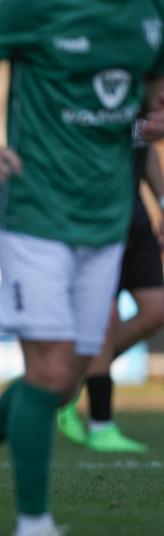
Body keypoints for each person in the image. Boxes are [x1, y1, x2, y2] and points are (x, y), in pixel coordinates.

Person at [0, 0, 164, 536]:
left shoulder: (150, 13)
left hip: (107, 221)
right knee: (51, 369)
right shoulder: (33, 6)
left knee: (66, 379)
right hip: (35, 215)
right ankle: (32, 527)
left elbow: (151, 95)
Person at [57, 144, 164, 453]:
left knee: (156, 309)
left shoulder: (137, 105)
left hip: (135, 217)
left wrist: (160, 200)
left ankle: (71, 379)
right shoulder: (96, 101)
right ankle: (101, 425)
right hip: (97, 218)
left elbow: (144, 150)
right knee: (104, 318)